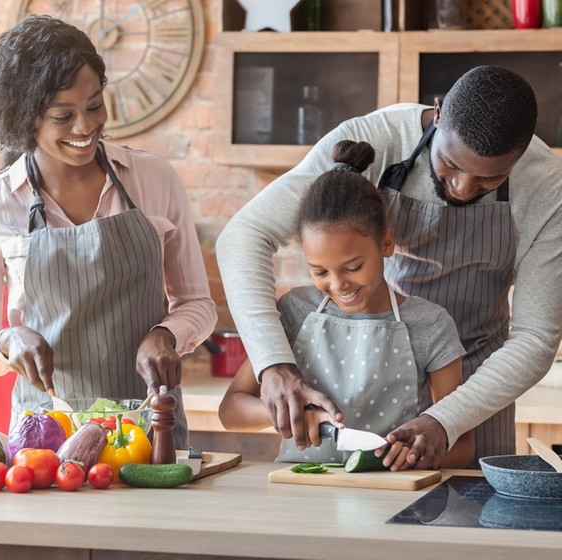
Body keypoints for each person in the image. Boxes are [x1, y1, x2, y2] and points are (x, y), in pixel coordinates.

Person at [216, 65, 562, 468]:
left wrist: (445, 419)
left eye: (489, 180)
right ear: (439, 111)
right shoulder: (375, 140)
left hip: (484, 381)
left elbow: (536, 338)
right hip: (373, 359)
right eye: (450, 164)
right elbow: (243, 235)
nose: (464, 189)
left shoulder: (547, 187)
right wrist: (273, 364)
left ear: (518, 160)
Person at [0, 15, 216, 449]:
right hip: (45, 439)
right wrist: (6, 340)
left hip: (148, 431)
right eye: (64, 115)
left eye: (94, 105)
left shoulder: (153, 178)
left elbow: (197, 304)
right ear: (25, 120)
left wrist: (166, 334)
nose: (85, 127)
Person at [218, 140, 474, 470]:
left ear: (386, 243)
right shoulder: (295, 310)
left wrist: (419, 455)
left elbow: (464, 445)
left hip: (392, 497)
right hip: (299, 494)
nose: (339, 285)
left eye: (353, 267)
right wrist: (290, 413)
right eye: (320, 271)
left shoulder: (431, 324)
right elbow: (231, 410)